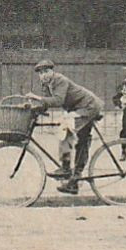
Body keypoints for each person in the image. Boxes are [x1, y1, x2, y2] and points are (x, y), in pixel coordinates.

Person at [24, 59, 104, 194]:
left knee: (65, 127)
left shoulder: (59, 80)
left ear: (52, 71)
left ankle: (66, 168)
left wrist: (37, 98)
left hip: (88, 107)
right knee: (82, 142)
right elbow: (47, 103)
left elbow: (58, 100)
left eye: (46, 72)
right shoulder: (47, 85)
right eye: (40, 73)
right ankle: (75, 181)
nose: (43, 75)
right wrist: (34, 108)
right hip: (80, 108)